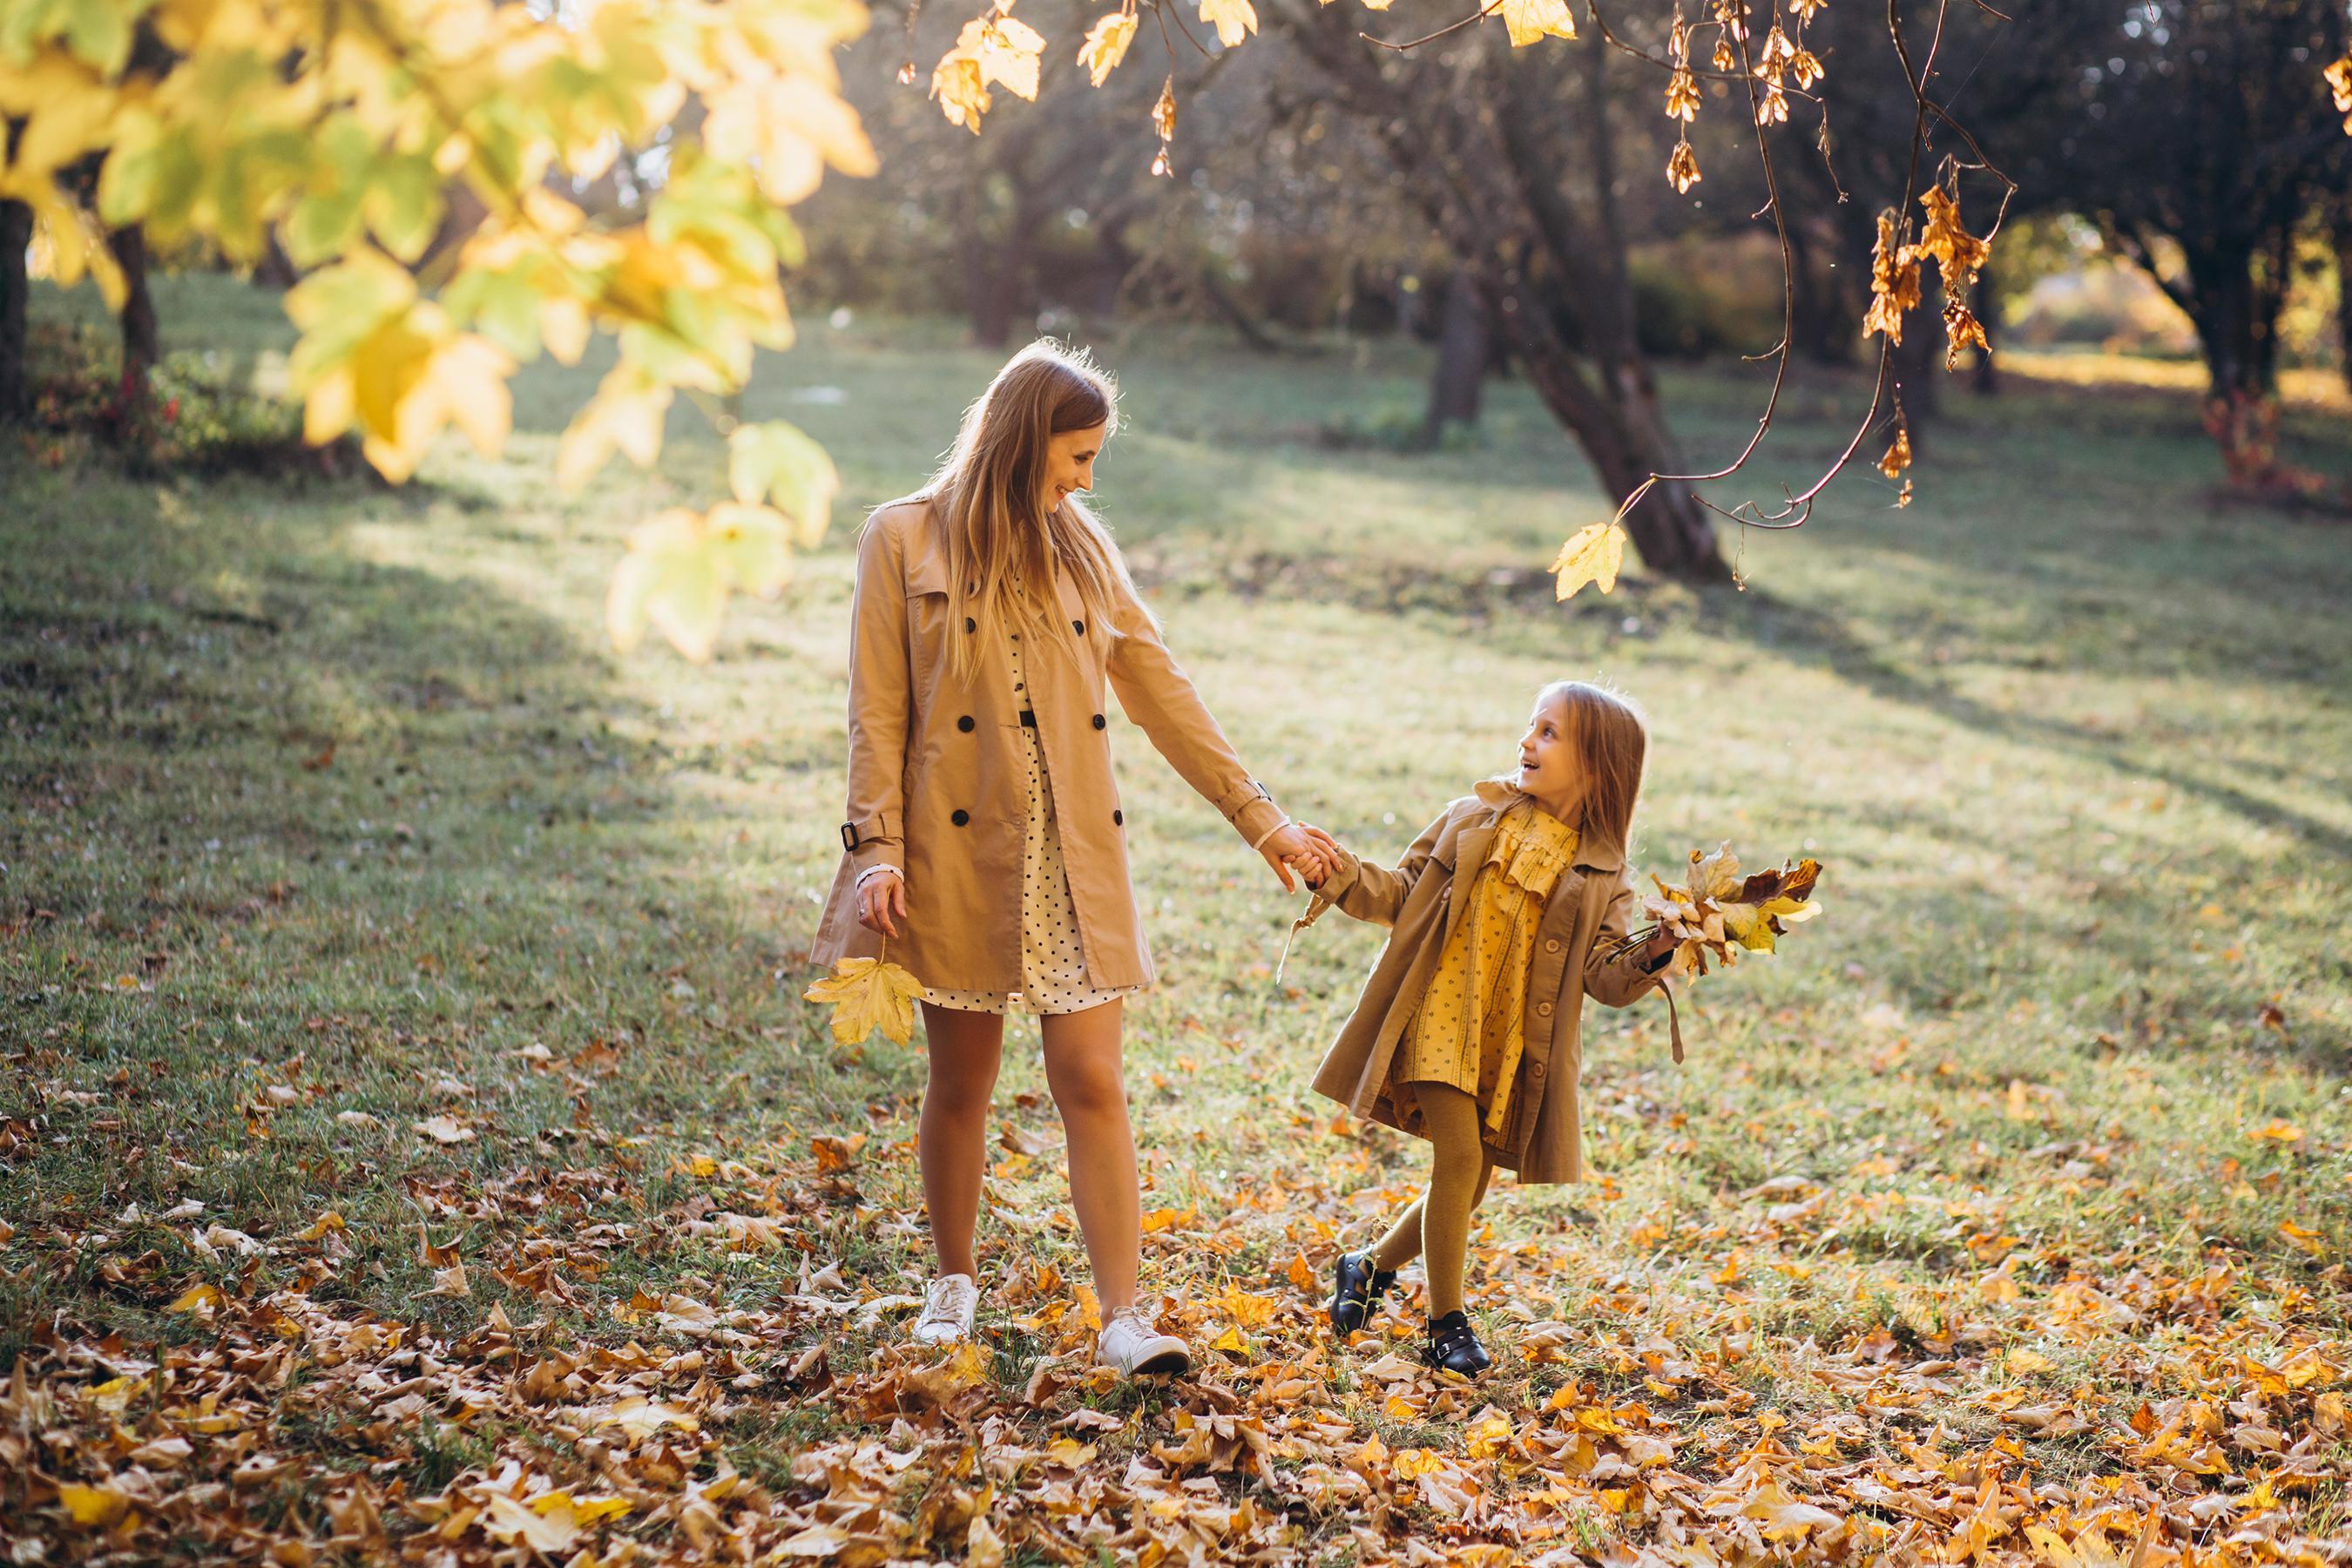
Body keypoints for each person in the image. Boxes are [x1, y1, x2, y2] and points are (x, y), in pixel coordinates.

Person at [809, 341, 1330, 1377]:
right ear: (1019, 442)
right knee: (961, 1082)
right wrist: (875, 849)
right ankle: (952, 1288)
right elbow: (875, 711)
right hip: (953, 856)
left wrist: (1260, 817)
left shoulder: (1085, 551)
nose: (1087, 478)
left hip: (1072, 853)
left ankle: (1123, 1316)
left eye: (1094, 459)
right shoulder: (899, 539)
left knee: (1091, 1080)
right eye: (1077, 455)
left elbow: (1161, 689)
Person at [1289, 680, 1680, 1375]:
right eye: (1532, 727)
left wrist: (1655, 950)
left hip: (1509, 1042)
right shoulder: (1472, 816)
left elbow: (1604, 976)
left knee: (1470, 1183)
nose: (1529, 741)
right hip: (1438, 1010)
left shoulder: (1604, 874)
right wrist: (1340, 872)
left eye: (1551, 733)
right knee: (1461, 1163)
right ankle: (1446, 1325)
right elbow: (1402, 893)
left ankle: (1368, 1267)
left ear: (1598, 767)